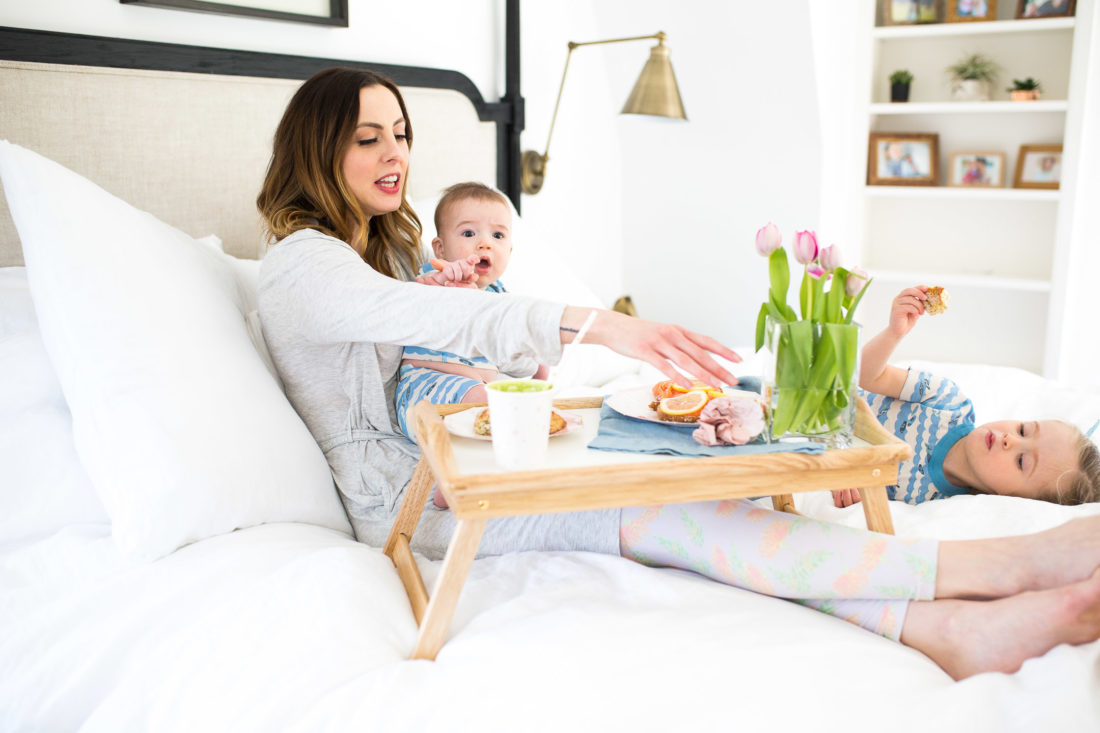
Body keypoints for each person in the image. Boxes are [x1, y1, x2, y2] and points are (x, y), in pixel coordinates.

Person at [256, 66, 1100, 681]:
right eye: (368, 138)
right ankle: (994, 569)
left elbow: (473, 338)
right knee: (673, 513)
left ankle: (938, 628)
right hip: (417, 496)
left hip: (482, 455)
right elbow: (439, 328)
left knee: (694, 493)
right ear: (318, 146)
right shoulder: (303, 265)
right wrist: (604, 323)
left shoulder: (394, 247)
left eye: (401, 133)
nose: (394, 152)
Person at [830, 286, 1100, 509]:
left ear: (1011, 500)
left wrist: (847, 481)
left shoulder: (937, 504)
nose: (1010, 440)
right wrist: (894, 333)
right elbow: (865, 376)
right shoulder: (948, 402)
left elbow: (859, 488)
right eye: (1023, 429)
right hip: (823, 397)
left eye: (1021, 461)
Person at [395, 181, 548, 443]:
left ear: (509, 251)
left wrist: (535, 361)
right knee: (492, 405)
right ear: (440, 248)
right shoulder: (435, 278)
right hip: (426, 390)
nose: (485, 244)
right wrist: (447, 282)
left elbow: (509, 356)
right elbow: (423, 303)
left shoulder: (501, 299)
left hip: (474, 393)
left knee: (510, 404)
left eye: (497, 236)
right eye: (469, 233)